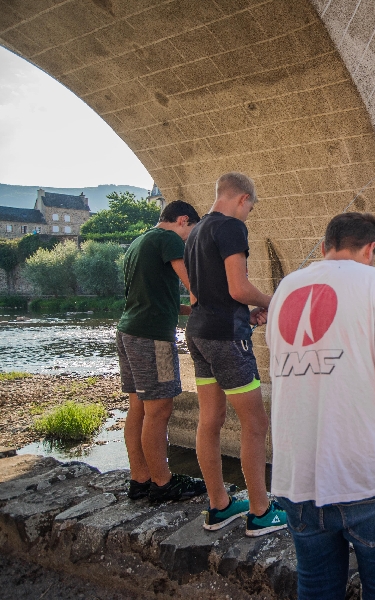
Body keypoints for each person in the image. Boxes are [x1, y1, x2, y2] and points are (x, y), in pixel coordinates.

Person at [268, 212, 375, 599]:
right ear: (371, 249)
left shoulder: (286, 288)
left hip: (297, 479)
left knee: (315, 588)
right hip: (368, 480)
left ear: (325, 245)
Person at [184, 172, 286, 537]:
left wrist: (246, 314)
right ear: (242, 198)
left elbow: (201, 296)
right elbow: (239, 287)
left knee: (209, 419)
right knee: (255, 424)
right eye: (251, 208)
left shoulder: (194, 232)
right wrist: (273, 302)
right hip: (227, 340)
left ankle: (219, 505)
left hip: (198, 334)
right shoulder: (231, 228)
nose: (249, 216)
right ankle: (260, 512)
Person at [117, 200, 207, 503]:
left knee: (139, 408)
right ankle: (162, 483)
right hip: (153, 339)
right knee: (160, 409)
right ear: (183, 220)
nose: (188, 240)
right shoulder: (168, 238)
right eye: (191, 232)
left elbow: (154, 298)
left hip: (130, 332)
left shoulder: (139, 241)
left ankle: (140, 479)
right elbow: (194, 284)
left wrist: (190, 311)